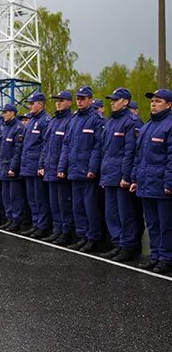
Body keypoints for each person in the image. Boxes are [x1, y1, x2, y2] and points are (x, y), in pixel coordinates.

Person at [58, 86, 105, 253]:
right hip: (74, 170)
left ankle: (93, 238)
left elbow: (98, 146)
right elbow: (66, 145)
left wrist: (92, 168)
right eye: (78, 98)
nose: (80, 101)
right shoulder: (74, 119)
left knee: (90, 207)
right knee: (77, 207)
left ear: (90, 100)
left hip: (87, 172)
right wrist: (62, 166)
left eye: (83, 98)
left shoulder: (96, 120)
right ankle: (82, 236)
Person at [130, 89, 172, 274]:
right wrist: (135, 178)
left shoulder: (169, 125)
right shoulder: (147, 127)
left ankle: (167, 258)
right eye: (152, 101)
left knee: (166, 224)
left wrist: (169, 183)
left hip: (162, 185)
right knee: (153, 224)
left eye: (158, 101)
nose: (153, 104)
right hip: (146, 183)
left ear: (169, 104)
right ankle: (155, 255)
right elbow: (139, 156)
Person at [100, 88, 144, 262]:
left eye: (116, 100)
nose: (112, 102)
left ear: (125, 102)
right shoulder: (111, 122)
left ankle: (129, 246)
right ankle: (118, 244)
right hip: (109, 175)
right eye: (111, 100)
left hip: (121, 177)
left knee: (126, 214)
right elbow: (106, 150)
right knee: (112, 213)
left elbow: (131, 152)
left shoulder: (132, 122)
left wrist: (127, 176)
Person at [40, 91, 75, 245]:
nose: (58, 103)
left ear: (69, 102)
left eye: (61, 100)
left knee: (63, 203)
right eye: (57, 101)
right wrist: (42, 164)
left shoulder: (70, 121)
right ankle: (58, 229)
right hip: (50, 168)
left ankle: (66, 232)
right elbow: (46, 145)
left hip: (60, 170)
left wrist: (62, 168)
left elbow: (68, 148)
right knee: (54, 203)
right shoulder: (53, 121)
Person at [20, 92, 52, 239]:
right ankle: (36, 224)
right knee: (31, 198)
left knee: (40, 198)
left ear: (41, 104)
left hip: (36, 165)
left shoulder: (45, 121)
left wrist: (42, 164)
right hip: (27, 164)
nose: (31, 106)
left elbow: (46, 145)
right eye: (30, 103)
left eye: (33, 103)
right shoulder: (31, 121)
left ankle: (43, 225)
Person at [0, 104, 25, 232]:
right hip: (3, 165)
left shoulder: (18, 128)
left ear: (12, 113)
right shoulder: (5, 128)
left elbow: (18, 150)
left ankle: (16, 220)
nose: (4, 114)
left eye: (6, 112)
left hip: (12, 167)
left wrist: (13, 167)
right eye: (3, 112)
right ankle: (9, 219)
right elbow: (1, 149)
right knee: (6, 195)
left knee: (15, 196)